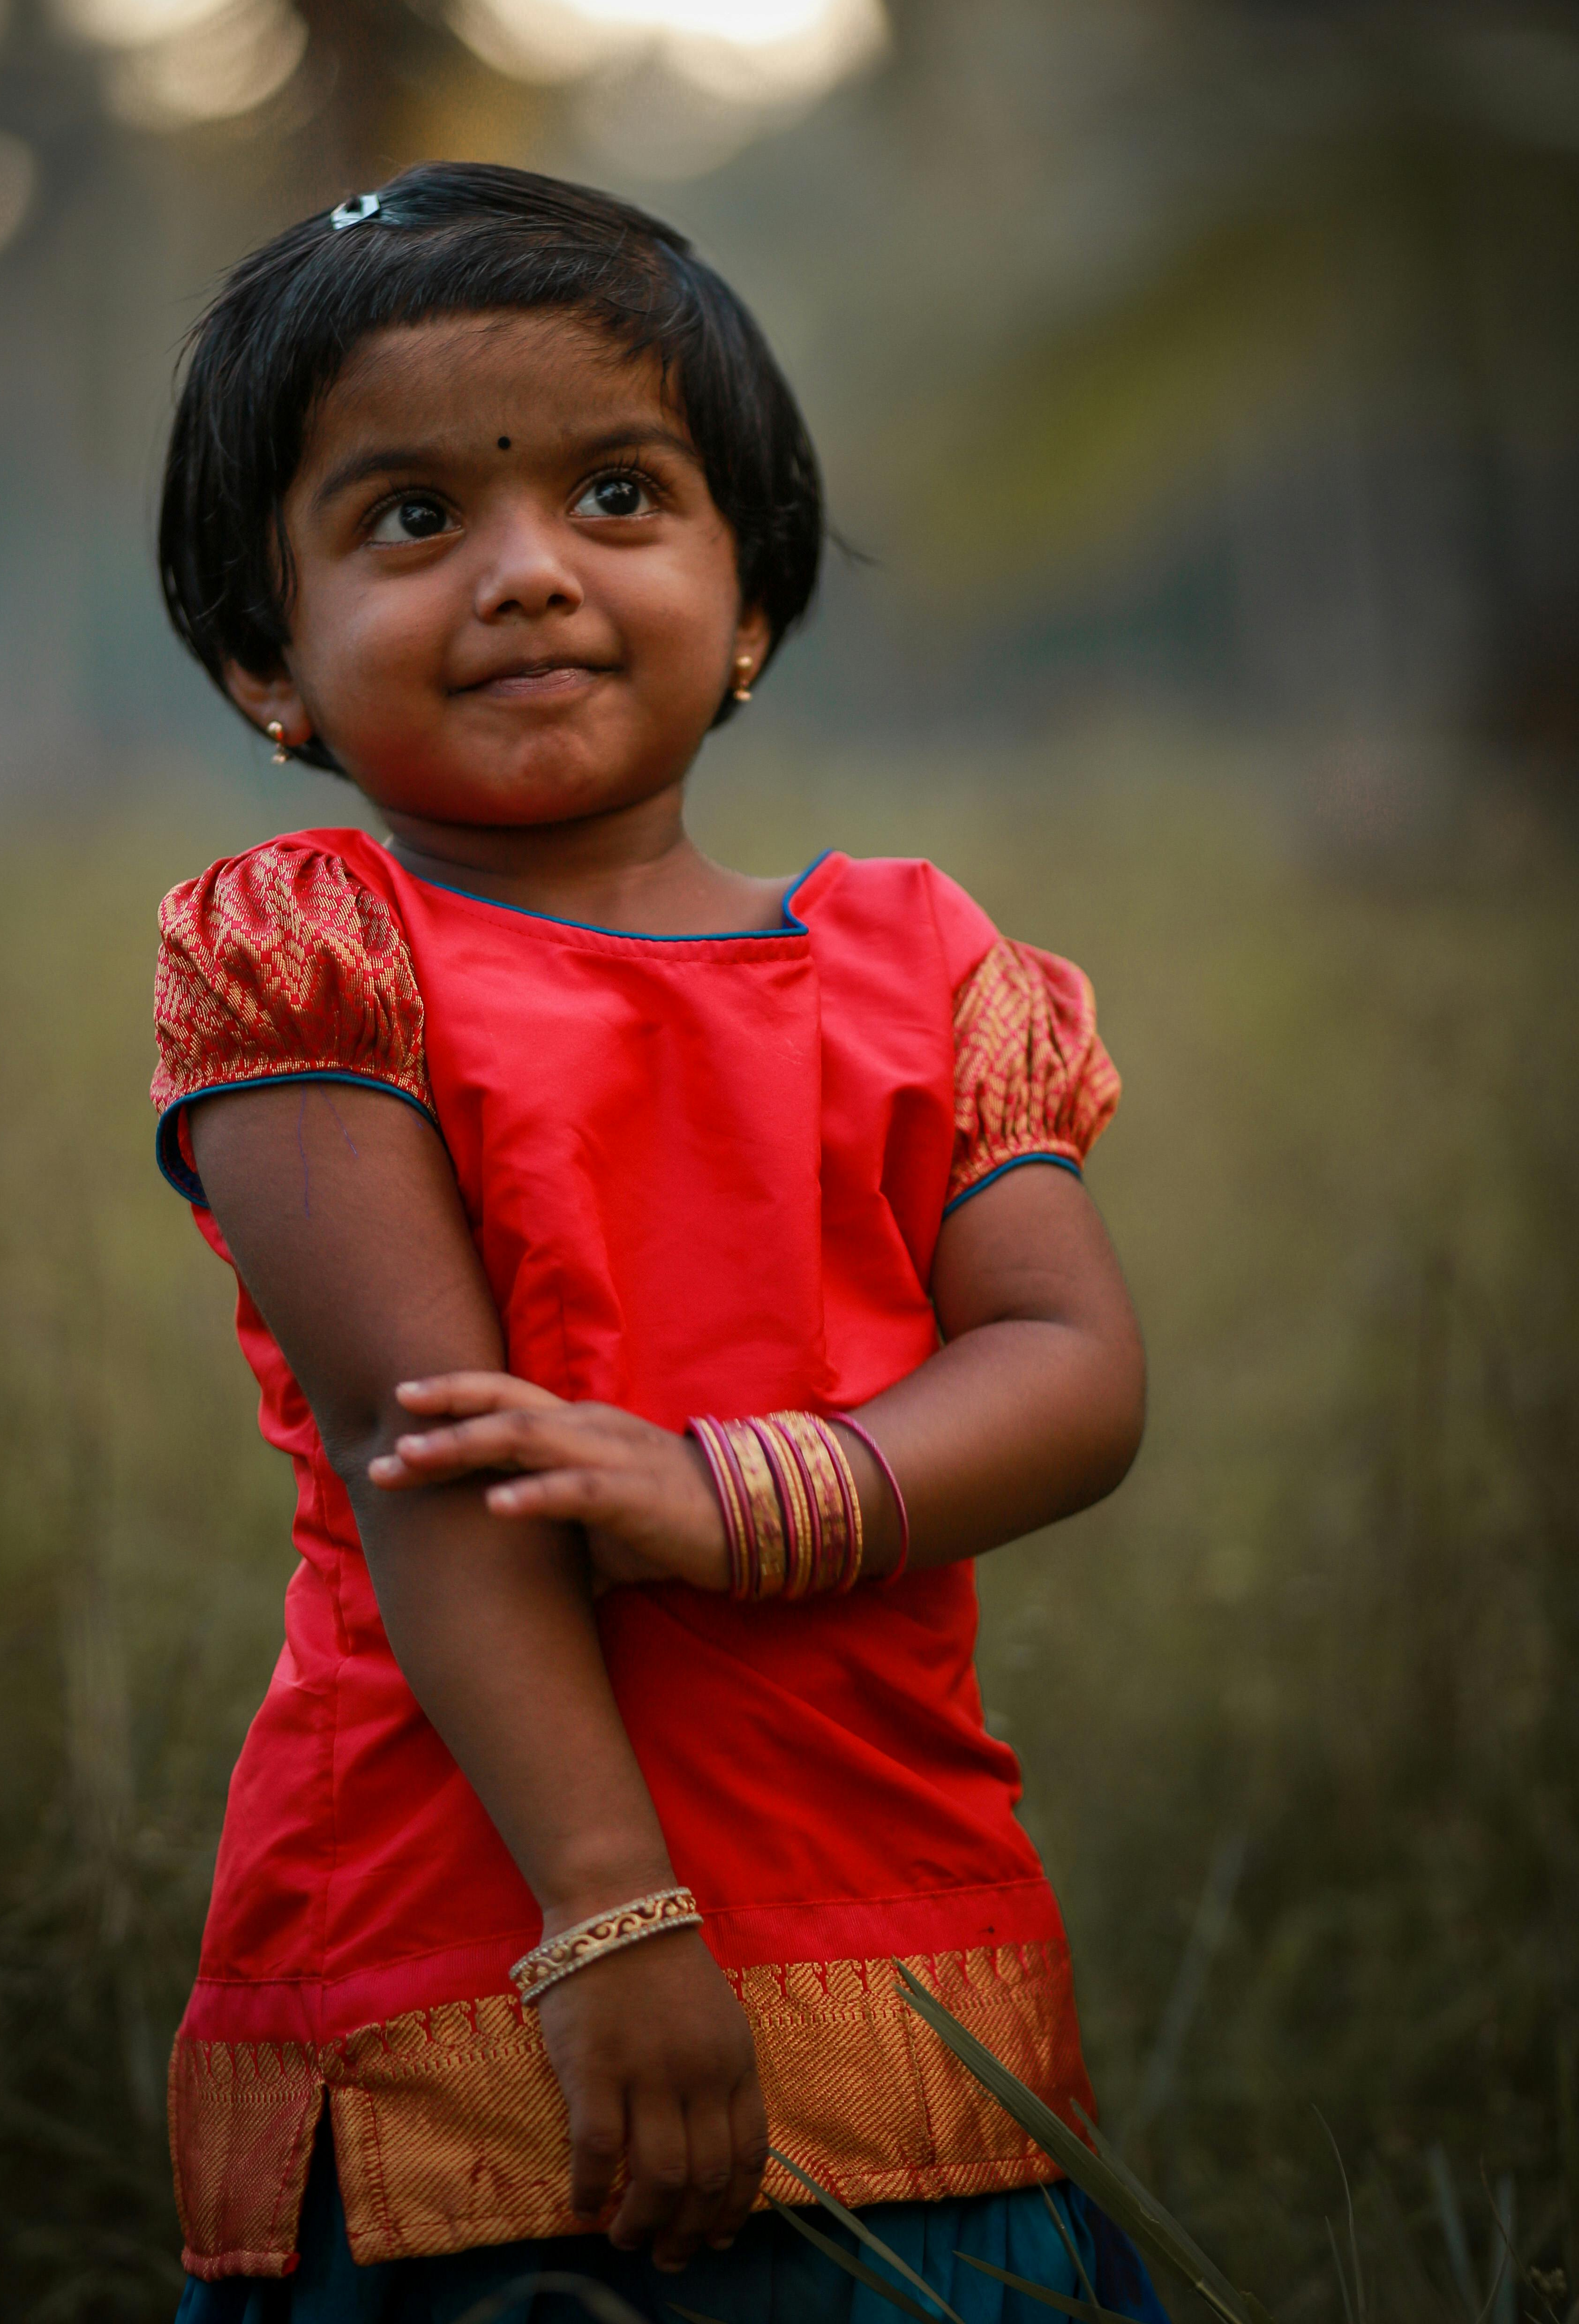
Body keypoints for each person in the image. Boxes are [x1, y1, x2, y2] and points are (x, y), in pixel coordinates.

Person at [149, 165, 1160, 2324]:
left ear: (755, 596)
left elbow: (1071, 1373)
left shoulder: (927, 964)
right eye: (411, 519)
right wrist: (614, 1923)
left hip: (907, 1911)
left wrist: (732, 1496)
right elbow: (438, 1462)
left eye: (619, 492)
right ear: (269, 659)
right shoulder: (318, 959)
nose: (528, 575)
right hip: (487, 1926)